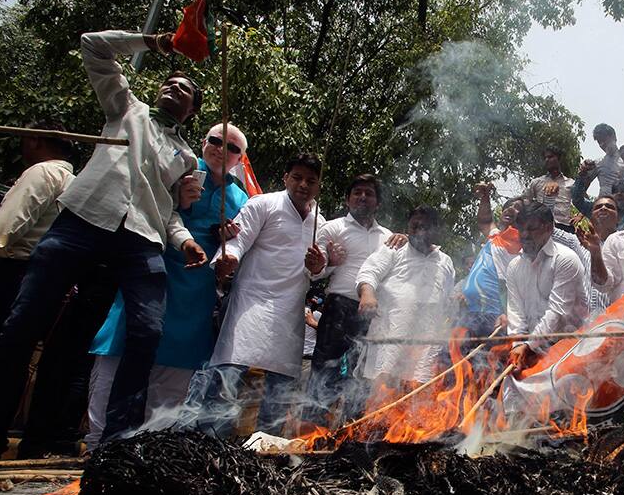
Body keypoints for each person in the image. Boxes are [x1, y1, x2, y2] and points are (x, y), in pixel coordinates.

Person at [0, 30, 208, 461]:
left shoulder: (186, 158)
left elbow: (167, 210)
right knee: (23, 322)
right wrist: (159, 41)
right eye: (169, 81)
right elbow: (92, 44)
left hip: (141, 240)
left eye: (183, 88)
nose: (171, 87)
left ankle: (113, 444)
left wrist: (184, 242)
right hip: (81, 223)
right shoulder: (126, 109)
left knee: (145, 332)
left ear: (192, 109)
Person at [84, 124, 250, 447]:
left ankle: (151, 448)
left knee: (176, 372)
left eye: (231, 148)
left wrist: (226, 240)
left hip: (197, 291)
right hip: (152, 274)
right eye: (215, 141)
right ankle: (96, 444)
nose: (221, 150)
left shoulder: (240, 198)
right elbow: (138, 209)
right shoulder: (178, 170)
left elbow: (236, 252)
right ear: (203, 143)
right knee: (120, 353)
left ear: (239, 159)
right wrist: (177, 202)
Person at [180, 154, 326, 437]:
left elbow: (319, 269)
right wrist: (229, 259)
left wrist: (318, 266)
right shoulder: (263, 203)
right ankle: (210, 445)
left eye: (311, 180)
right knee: (228, 378)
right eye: (297, 177)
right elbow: (238, 241)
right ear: (286, 178)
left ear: (319, 186)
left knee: (280, 388)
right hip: (251, 302)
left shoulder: (319, 221)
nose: (303, 185)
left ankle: (265, 450)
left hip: (289, 311)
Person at [310, 174, 404, 420]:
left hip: (374, 315)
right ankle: (311, 434)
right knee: (325, 371)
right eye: (357, 192)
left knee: (362, 374)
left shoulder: (389, 236)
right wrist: (328, 261)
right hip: (339, 308)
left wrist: (407, 240)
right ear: (347, 199)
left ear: (378, 202)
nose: (363, 197)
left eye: (369, 193)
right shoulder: (331, 228)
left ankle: (349, 435)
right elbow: (313, 272)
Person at [0, 121, 74, 357]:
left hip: (9, 270)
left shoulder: (43, 171)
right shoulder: (72, 182)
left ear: (34, 140)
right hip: (36, 276)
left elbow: (5, 230)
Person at [357, 205, 456, 384]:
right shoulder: (393, 248)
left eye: (425, 227)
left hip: (426, 345)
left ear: (436, 230)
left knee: (416, 398)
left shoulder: (446, 262)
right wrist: (367, 295)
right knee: (380, 394)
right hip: (389, 340)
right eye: (414, 227)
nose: (419, 232)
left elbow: (447, 301)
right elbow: (369, 272)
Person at [505, 202, 588, 375]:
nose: (525, 235)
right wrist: (518, 345)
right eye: (522, 229)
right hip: (534, 353)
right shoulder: (513, 267)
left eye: (532, 228)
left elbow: (557, 313)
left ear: (549, 228)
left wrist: (528, 345)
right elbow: (515, 312)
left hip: (571, 350)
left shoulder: (565, 259)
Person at [460, 195, 524, 339]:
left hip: (493, 316)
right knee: (453, 357)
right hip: (470, 311)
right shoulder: (496, 236)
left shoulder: (519, 243)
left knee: (483, 359)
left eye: (517, 208)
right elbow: (485, 221)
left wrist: (507, 314)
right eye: (508, 206)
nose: (510, 209)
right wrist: (484, 196)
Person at [528, 145, 576, 232]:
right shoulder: (536, 182)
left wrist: (580, 216)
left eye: (550, 157)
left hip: (565, 227)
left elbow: (583, 202)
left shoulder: (571, 183)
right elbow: (524, 201)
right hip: (542, 227)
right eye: (545, 158)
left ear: (559, 159)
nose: (547, 160)